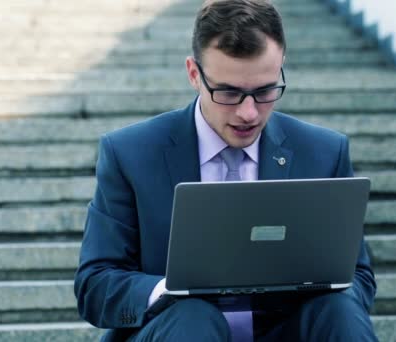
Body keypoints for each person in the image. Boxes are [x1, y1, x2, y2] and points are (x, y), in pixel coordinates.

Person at [74, 0, 378, 340]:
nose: (249, 113)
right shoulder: (130, 153)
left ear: (281, 68)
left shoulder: (324, 153)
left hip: (284, 330)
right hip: (176, 332)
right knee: (193, 317)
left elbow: (359, 280)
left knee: (339, 309)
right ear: (194, 74)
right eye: (229, 93)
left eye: (265, 91)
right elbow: (95, 283)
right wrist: (168, 292)